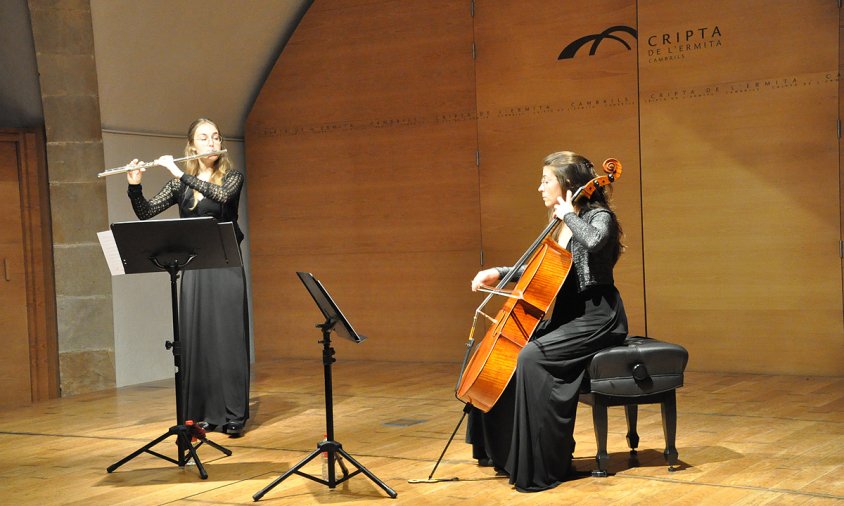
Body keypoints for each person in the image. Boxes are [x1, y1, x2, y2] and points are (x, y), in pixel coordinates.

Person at [466, 151, 628, 491]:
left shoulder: (599, 217)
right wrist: (499, 272)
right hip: (569, 313)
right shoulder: (561, 224)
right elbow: (543, 270)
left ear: (567, 184)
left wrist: (569, 215)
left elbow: (596, 242)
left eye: (545, 180)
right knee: (504, 352)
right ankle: (505, 453)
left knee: (531, 357)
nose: (539, 187)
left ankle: (546, 462)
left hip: (597, 315)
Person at [125, 118, 250, 437]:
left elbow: (221, 197)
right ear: (192, 146)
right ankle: (202, 413)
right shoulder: (180, 185)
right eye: (204, 138)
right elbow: (145, 212)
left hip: (225, 264)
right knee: (198, 338)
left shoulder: (232, 177)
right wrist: (134, 184)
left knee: (228, 338)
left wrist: (179, 173)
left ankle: (234, 412)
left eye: (216, 137)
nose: (212, 142)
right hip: (194, 267)